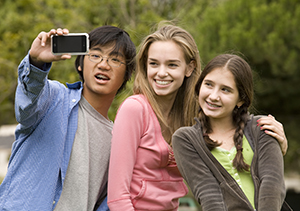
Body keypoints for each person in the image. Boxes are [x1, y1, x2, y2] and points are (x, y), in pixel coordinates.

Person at [106, 23, 288, 211]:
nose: (161, 73)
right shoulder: (134, 109)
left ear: (189, 68)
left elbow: (232, 137)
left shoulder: (195, 115)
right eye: (153, 63)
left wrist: (278, 144)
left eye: (172, 64)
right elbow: (118, 197)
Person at [0, 26, 136, 211]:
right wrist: (36, 63)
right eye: (95, 55)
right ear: (80, 63)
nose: (104, 64)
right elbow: (26, 107)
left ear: (127, 75)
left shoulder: (119, 139)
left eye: (115, 59)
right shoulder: (54, 99)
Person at [172, 54, 291, 211]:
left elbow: (272, 185)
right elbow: (208, 194)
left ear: (240, 99)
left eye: (225, 90)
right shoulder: (186, 139)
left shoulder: (262, 127)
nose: (213, 96)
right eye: (208, 84)